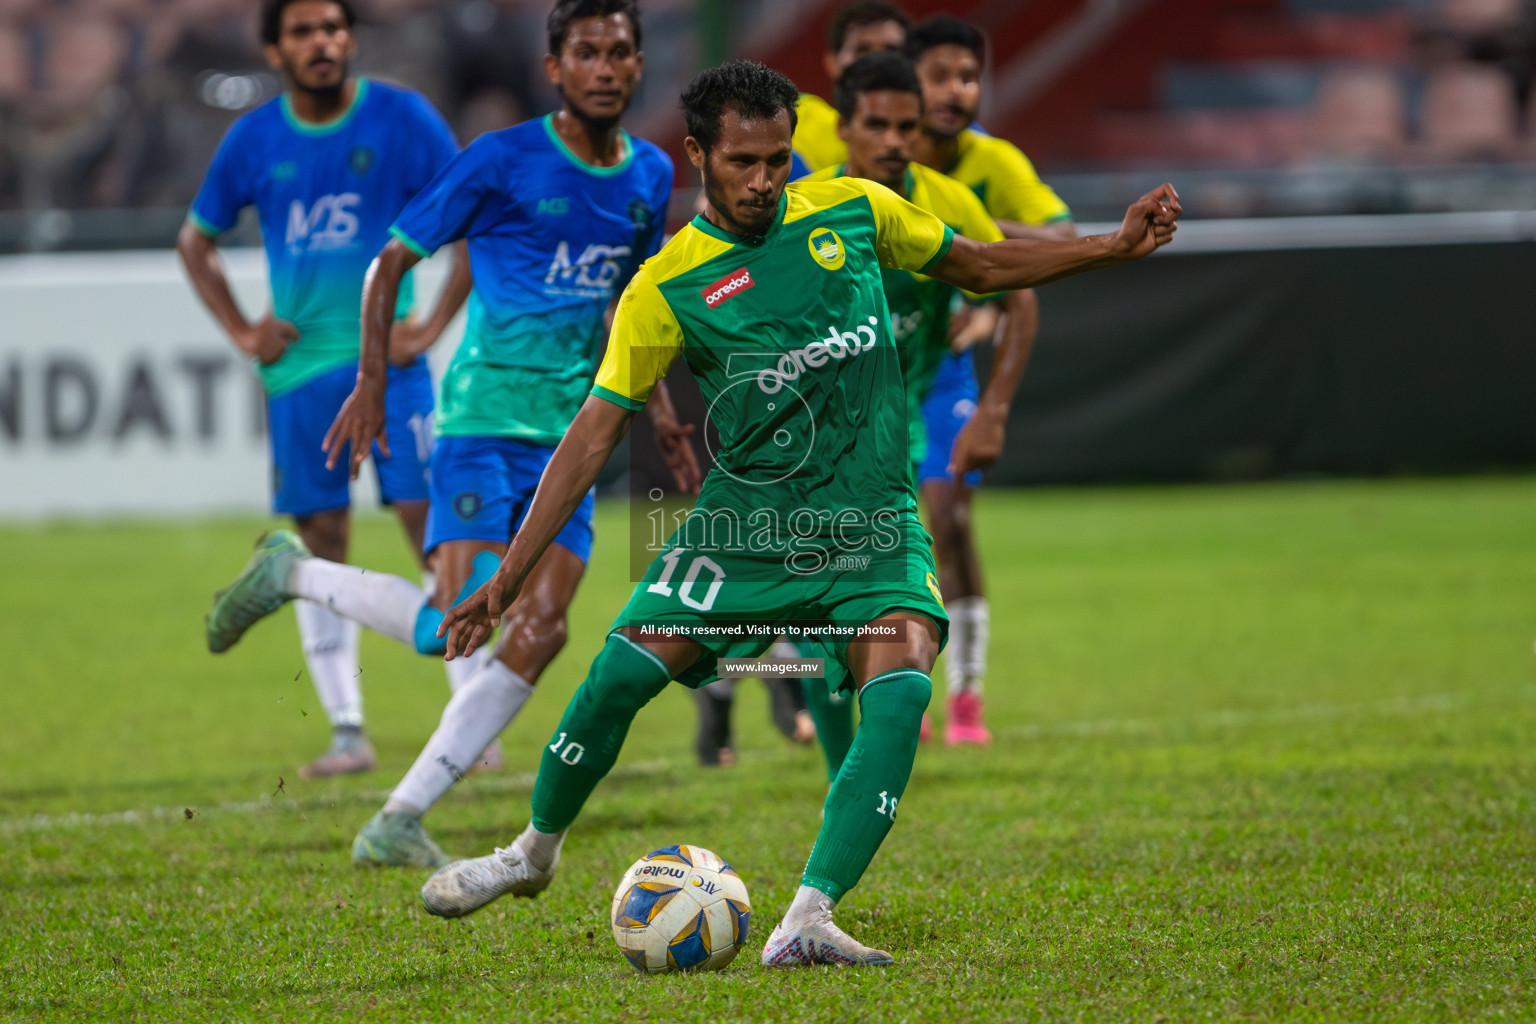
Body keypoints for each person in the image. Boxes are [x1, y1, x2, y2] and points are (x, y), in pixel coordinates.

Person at [423, 59, 1179, 966]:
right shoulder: (667, 285)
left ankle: (808, 917)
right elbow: (589, 439)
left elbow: (977, 265)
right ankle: (530, 854)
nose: (764, 180)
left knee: (902, 687)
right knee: (619, 677)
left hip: (869, 521)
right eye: (743, 161)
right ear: (698, 154)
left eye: (779, 159)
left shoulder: (854, 210)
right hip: (746, 528)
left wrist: (1111, 244)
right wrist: (506, 579)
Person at [204, 0, 694, 869]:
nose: (606, 68)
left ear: (639, 62)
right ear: (555, 68)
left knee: (543, 630)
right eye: (587, 52)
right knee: (451, 626)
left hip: (574, 435)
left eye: (621, 52)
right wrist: (374, 381)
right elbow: (391, 259)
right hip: (480, 426)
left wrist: (659, 414)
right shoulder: (502, 160)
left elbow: (634, 302)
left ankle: (398, 818)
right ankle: (293, 572)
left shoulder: (652, 174)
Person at [181, 0, 469, 779]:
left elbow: (475, 216)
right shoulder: (254, 138)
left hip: (395, 368)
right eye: (304, 32)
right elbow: (194, 240)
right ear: (274, 49)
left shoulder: (404, 118)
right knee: (322, 549)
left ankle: (469, 727)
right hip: (304, 374)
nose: (324, 43)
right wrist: (245, 332)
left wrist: (435, 319)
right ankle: (348, 730)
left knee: (435, 536)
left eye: (335, 28)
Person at [796, 51, 1037, 773]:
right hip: (833, 425)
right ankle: (857, 724)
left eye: (907, 124)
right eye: (879, 125)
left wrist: (994, 406)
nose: (895, 140)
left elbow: (1018, 286)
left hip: (922, 404)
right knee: (823, 592)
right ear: (845, 129)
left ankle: (954, 698)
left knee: (944, 526)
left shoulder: (949, 199)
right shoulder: (802, 204)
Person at [905, 15, 1079, 742]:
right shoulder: (868, 162)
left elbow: (1062, 240)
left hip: (942, 377)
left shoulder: (988, 165)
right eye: (940, 75)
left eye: (968, 76)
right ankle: (873, 689)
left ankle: (966, 693)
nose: (956, 90)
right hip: (867, 375)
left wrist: (968, 247)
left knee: (949, 519)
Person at [793, 1, 910, 173]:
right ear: (832, 63)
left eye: (891, 50)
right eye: (863, 50)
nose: (878, 61)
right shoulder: (791, 120)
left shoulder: (938, 130)